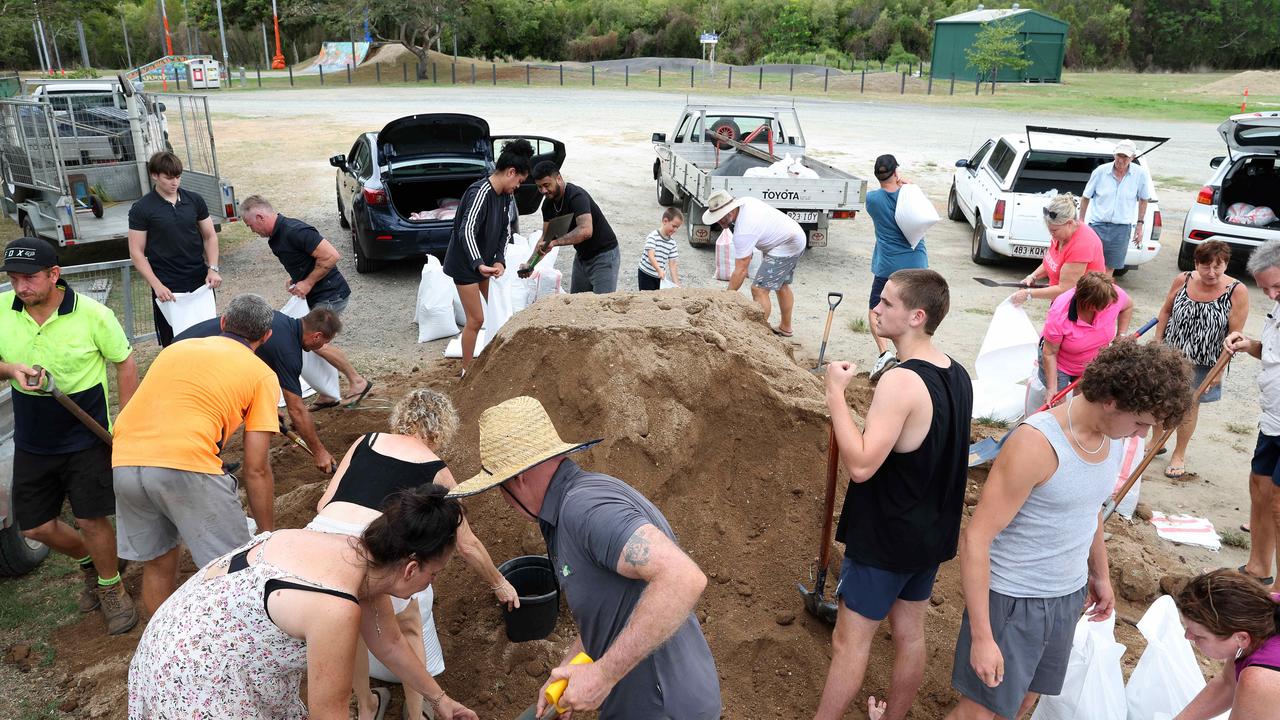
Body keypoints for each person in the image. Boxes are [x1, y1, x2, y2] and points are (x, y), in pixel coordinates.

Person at [946, 341, 1192, 720]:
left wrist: (1099, 574)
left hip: (1066, 596)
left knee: (1024, 700)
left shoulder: (1111, 439)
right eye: (1141, 422)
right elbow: (976, 538)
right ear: (1111, 400)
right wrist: (983, 636)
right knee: (979, 711)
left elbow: (1089, 507)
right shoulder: (1036, 444)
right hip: (1014, 600)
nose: (1141, 435)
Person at [447, 396, 720, 719]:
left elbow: (683, 578)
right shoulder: (565, 511)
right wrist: (572, 663)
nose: (504, 500)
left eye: (500, 487)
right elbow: (613, 607)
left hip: (663, 705)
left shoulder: (585, 511)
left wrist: (603, 674)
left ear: (518, 478)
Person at [128, 485, 479, 720]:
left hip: (177, 636)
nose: (432, 582)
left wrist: (440, 700)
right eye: (434, 574)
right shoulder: (335, 606)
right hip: (195, 680)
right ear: (411, 567)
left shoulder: (361, 557)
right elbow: (330, 713)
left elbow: (389, 644)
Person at [814, 269, 973, 720]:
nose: (876, 309)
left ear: (917, 316)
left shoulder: (901, 382)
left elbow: (862, 466)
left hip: (885, 539)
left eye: (886, 303)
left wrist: (835, 396)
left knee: (849, 643)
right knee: (910, 634)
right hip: (928, 536)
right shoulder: (957, 375)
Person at [307, 389, 516, 720]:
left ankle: (367, 707)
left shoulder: (366, 441)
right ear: (441, 430)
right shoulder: (437, 470)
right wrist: (499, 582)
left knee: (353, 625)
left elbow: (323, 504)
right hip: (378, 555)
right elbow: (466, 543)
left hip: (320, 548)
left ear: (400, 418)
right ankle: (417, 714)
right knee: (408, 626)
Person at [0, 238, 140, 634]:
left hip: (85, 433)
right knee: (36, 526)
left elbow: (125, 363)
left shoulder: (93, 314)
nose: (21, 287)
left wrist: (125, 419)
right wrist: (11, 369)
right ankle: (92, 562)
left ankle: (111, 587)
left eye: (29, 278)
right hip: (32, 437)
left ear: (54, 275)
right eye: (13, 279)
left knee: (90, 518)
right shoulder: (2, 312)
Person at [111, 293, 281, 616]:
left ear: (223, 323)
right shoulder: (262, 375)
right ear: (266, 336)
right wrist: (267, 534)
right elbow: (256, 469)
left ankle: (159, 656)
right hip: (183, 463)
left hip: (124, 460)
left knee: (158, 565)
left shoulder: (175, 350)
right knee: (235, 569)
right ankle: (231, 651)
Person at [239, 195, 372, 408]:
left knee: (315, 342)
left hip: (331, 293)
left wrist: (308, 283)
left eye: (250, 225)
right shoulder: (275, 237)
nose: (251, 230)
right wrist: (297, 278)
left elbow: (331, 256)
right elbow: (305, 260)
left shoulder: (294, 230)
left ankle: (358, 381)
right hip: (318, 294)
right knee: (311, 342)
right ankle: (328, 393)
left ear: (260, 217)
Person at [177, 307, 344, 473]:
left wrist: (264, 408)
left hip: (184, 347)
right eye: (326, 341)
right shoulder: (289, 353)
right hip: (191, 358)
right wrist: (319, 452)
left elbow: (252, 372)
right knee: (212, 409)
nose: (324, 345)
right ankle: (201, 466)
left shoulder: (280, 321)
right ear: (317, 336)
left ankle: (212, 460)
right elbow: (297, 409)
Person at [1154, 239, 1248, 480]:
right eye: (1206, 266)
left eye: (1218, 266)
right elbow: (1165, 311)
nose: (1212, 272)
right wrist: (1157, 342)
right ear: (1196, 263)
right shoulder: (1183, 279)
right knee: (1159, 399)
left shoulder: (1236, 290)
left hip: (1204, 361)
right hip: (1171, 354)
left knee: (1188, 405)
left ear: (1226, 264)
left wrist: (1218, 370)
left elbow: (1235, 335)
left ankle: (1179, 454)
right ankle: (1155, 441)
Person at [443, 139, 534, 375]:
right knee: (476, 319)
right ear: (511, 172)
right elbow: (466, 230)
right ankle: (467, 371)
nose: (518, 187)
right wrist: (478, 263)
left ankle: (494, 362)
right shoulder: (480, 193)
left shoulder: (505, 196)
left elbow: (505, 231)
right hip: (465, 263)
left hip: (483, 262)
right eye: (520, 181)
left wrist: (498, 260)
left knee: (499, 312)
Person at [1224, 239, 1280, 590]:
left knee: (1278, 499)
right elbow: (1272, 354)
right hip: (1272, 419)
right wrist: (1250, 345)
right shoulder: (1277, 309)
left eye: (1277, 286)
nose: (1272, 295)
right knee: (1259, 486)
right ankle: (1258, 567)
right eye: (1266, 289)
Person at [127, 150, 223, 347]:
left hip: (200, 281)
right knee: (175, 343)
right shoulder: (142, 208)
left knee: (209, 337)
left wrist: (213, 268)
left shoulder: (194, 200)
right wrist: (156, 285)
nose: (175, 183)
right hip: (168, 286)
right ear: (155, 175)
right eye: (169, 178)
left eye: (178, 177)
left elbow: (210, 235)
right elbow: (136, 252)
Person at [1171, 570, 1280, 719]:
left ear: (1241, 638)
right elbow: (1228, 684)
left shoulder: (1261, 678)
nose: (1187, 636)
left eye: (1199, 635)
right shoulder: (1265, 608)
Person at [703, 189, 805, 337]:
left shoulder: (744, 230)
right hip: (793, 236)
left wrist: (726, 297)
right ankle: (785, 327)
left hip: (787, 245)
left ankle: (758, 335)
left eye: (720, 218)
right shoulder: (745, 202)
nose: (718, 222)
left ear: (730, 212)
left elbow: (741, 270)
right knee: (781, 284)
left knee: (759, 289)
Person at [1029, 272, 1133, 413]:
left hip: (1091, 361)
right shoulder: (1060, 312)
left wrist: (1121, 334)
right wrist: (1052, 388)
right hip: (1059, 363)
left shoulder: (1112, 295)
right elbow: (1050, 353)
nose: (1108, 308)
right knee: (1059, 407)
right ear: (1087, 303)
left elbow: (1127, 306)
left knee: (1085, 405)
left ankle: (1077, 433)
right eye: (1103, 306)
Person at [865, 155, 930, 380]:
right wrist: (908, 186)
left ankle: (885, 354)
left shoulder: (872, 199)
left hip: (888, 266)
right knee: (914, 311)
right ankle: (909, 356)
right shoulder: (910, 194)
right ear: (896, 171)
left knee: (876, 309)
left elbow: (884, 199)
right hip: (917, 264)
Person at [532, 161, 621, 294]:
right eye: (539, 187)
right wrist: (529, 264)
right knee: (576, 304)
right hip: (582, 257)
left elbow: (586, 230)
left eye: (546, 185)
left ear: (559, 179)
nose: (543, 190)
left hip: (604, 256)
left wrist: (554, 242)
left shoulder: (576, 196)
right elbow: (545, 238)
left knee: (603, 305)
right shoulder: (547, 205)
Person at [1013, 193, 1105, 307]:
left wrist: (1029, 293)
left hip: (1081, 305)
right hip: (1062, 300)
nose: (1051, 234)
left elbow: (1066, 289)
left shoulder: (1082, 245)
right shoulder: (1061, 235)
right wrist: (1033, 276)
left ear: (1070, 223)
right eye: (1050, 230)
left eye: (1054, 230)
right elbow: (1052, 263)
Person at [1080, 140, 1152, 276]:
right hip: (1097, 226)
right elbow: (1086, 196)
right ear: (1114, 155)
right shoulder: (1100, 172)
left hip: (1121, 229)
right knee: (1090, 265)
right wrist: (1081, 221)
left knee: (1109, 268)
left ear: (1132, 157)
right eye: (1119, 155)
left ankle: (1102, 295)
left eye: (1125, 157)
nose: (1121, 160)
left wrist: (1139, 225)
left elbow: (1144, 199)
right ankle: (1087, 294)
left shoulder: (1140, 174)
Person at [637, 206, 683, 291]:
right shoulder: (653, 236)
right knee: (646, 298)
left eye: (677, 227)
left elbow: (673, 265)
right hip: (646, 273)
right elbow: (651, 255)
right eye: (674, 226)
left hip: (659, 276)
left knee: (656, 298)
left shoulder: (672, 243)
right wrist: (658, 269)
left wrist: (677, 285)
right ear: (665, 221)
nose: (675, 230)